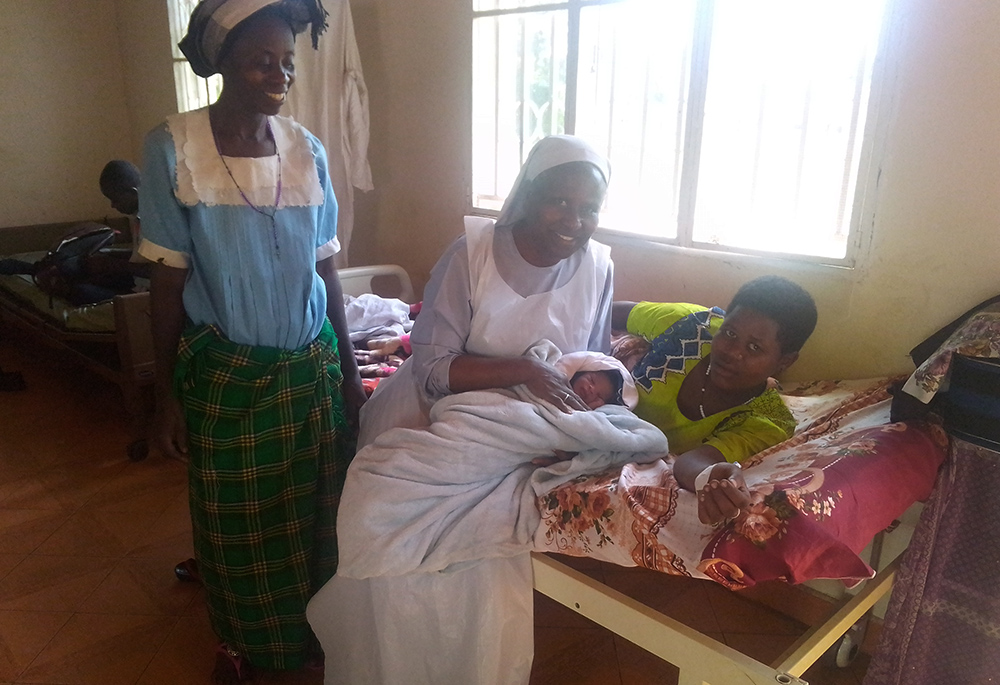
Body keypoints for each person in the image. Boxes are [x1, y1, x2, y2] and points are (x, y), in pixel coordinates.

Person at [308, 134, 615, 685]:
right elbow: (431, 369)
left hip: (518, 434)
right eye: (560, 201)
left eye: (589, 207)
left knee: (488, 565)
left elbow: (592, 362)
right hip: (426, 418)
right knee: (398, 545)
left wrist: (591, 393)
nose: (574, 219)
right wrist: (526, 369)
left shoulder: (598, 268)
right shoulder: (471, 253)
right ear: (530, 193)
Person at [137, 1, 365, 682]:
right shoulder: (172, 147)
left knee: (315, 523)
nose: (280, 73)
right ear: (222, 61)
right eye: (263, 59)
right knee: (233, 529)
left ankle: (312, 638)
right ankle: (242, 646)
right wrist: (167, 394)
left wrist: (350, 373)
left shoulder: (307, 150)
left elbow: (326, 272)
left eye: (289, 61)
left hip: (308, 373)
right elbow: (167, 283)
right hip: (229, 378)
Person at [612, 275, 817, 526]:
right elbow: (606, 312)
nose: (732, 352)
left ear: (785, 361)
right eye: (729, 332)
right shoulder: (689, 326)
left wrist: (711, 478)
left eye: (754, 348)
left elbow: (695, 461)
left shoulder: (767, 421)